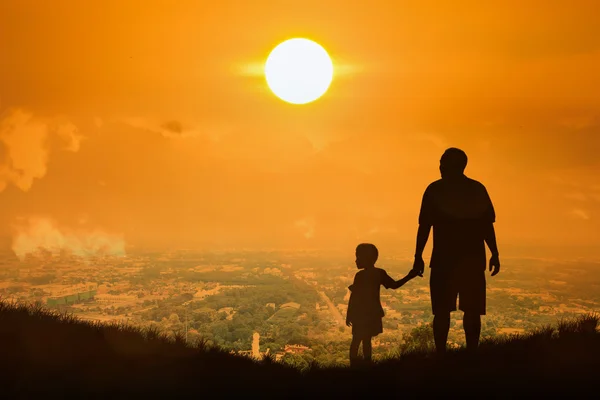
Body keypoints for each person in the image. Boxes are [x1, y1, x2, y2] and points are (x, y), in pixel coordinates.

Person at [412, 147, 500, 357]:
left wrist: (418, 257)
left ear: (452, 165)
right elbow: (487, 225)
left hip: (445, 260)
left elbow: (425, 226)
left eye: (443, 162)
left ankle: (442, 355)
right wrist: (494, 253)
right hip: (472, 260)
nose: (440, 166)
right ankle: (471, 354)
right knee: (471, 311)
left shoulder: (435, 190)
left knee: (443, 311)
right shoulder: (476, 189)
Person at [346, 243, 418, 366]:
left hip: (360, 314)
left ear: (366, 259)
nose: (356, 260)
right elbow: (395, 285)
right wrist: (410, 276)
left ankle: (354, 365)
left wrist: (349, 314)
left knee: (356, 340)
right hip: (373, 312)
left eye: (358, 257)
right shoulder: (379, 273)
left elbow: (354, 297)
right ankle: (367, 363)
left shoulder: (360, 276)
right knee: (366, 340)